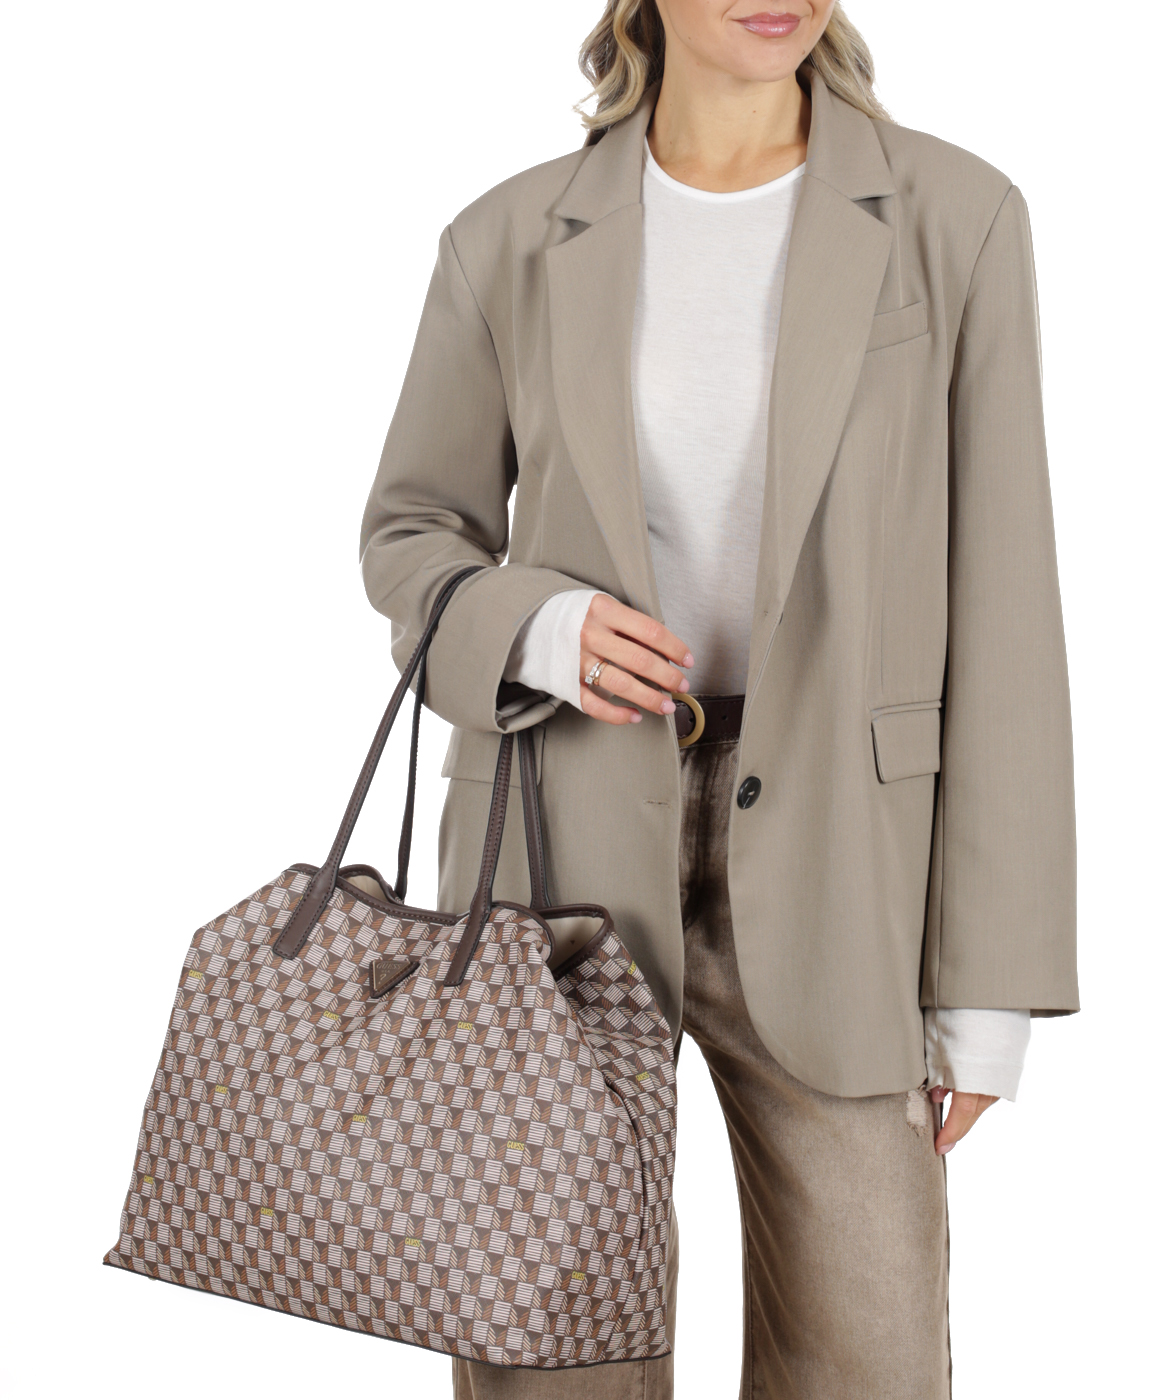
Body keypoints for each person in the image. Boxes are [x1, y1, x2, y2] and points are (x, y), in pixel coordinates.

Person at [360, 2, 1077, 1395]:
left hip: (848, 854)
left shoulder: (959, 217)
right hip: (556, 836)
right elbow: (412, 532)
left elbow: (1006, 602)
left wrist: (993, 981)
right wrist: (537, 629)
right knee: (548, 1361)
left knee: (869, 1357)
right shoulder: (508, 238)